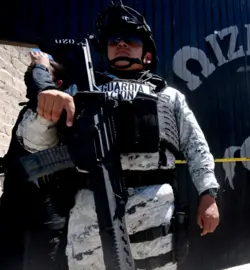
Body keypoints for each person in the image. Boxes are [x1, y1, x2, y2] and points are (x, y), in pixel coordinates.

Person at [10, 2, 221, 270]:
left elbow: (197, 147)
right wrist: (45, 107)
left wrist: (208, 194)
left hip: (156, 224)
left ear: (146, 52)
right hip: (91, 222)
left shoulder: (169, 97)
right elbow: (33, 143)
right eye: (114, 40)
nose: (121, 44)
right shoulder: (79, 91)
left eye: (131, 39)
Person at [0, 50, 80, 270]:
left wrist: (42, 65)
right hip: (13, 206)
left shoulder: (64, 107)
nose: (33, 73)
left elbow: (42, 91)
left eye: (43, 72)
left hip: (47, 212)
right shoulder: (29, 109)